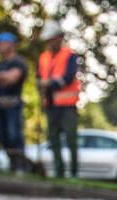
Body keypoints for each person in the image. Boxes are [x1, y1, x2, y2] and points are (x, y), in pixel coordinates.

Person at [37, 23, 80, 179]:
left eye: (52, 39)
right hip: (50, 105)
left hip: (67, 106)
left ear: (60, 38)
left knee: (71, 140)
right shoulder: (43, 57)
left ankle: (74, 173)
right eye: (47, 40)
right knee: (53, 140)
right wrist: (41, 87)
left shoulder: (70, 55)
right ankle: (59, 173)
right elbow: (39, 77)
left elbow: (68, 77)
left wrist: (51, 83)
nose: (49, 43)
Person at [0, 32, 27, 173]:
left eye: (3, 43)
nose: (0, 46)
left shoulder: (19, 62)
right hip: (1, 104)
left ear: (11, 44)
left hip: (13, 104)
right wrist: (3, 76)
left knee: (14, 134)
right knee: (2, 135)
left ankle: (20, 165)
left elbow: (13, 78)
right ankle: (12, 164)